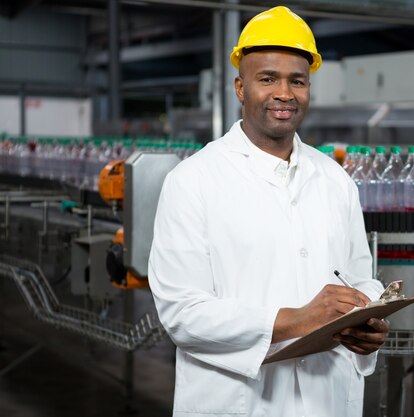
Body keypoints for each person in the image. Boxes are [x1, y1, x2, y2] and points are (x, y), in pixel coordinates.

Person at [148, 6, 388, 417]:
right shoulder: (193, 180)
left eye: (297, 81)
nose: (284, 93)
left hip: (326, 398)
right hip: (238, 401)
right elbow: (182, 313)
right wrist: (297, 319)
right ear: (241, 89)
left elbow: (358, 277)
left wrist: (367, 321)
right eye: (267, 79)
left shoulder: (334, 180)